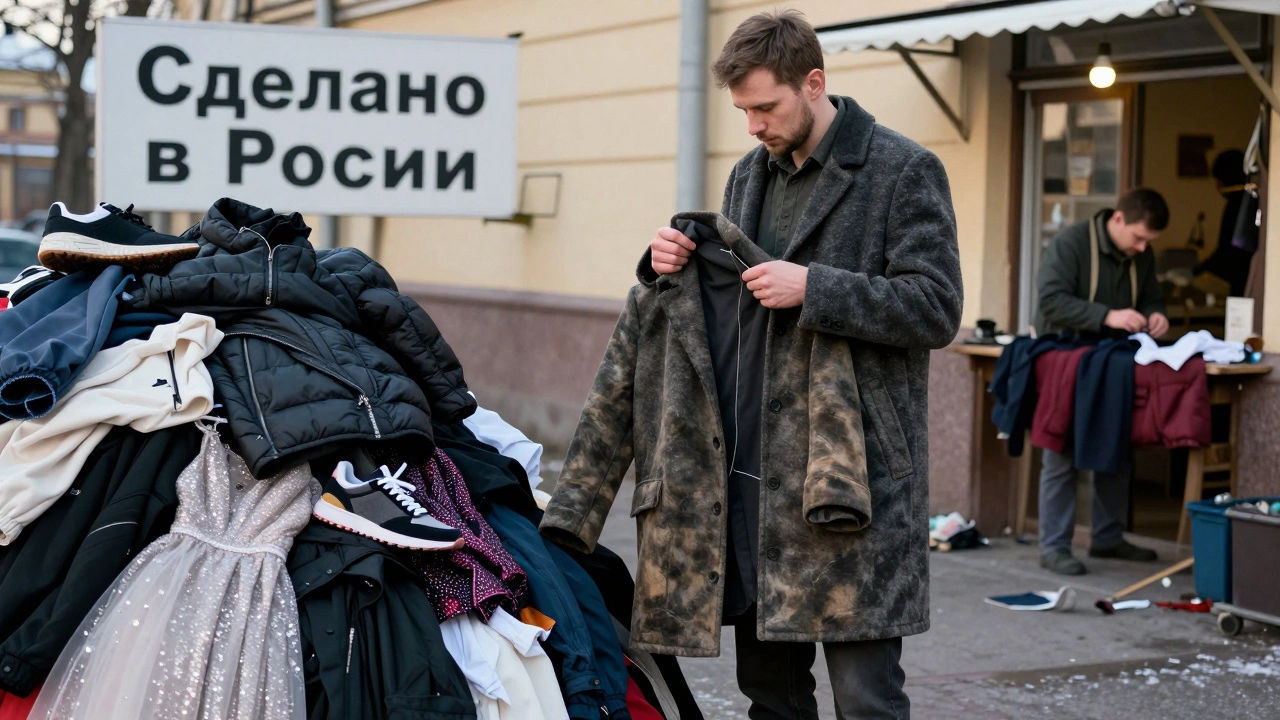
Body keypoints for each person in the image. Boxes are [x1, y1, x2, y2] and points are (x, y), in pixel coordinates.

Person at [647, 10, 963, 719]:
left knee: (866, 698)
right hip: (756, 478)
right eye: (743, 111)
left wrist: (814, 288)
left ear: (814, 82)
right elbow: (723, 303)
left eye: (766, 107)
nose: (753, 125)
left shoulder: (903, 168)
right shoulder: (745, 176)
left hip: (855, 484)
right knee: (773, 696)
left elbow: (937, 308)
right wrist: (665, 262)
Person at [1033, 187, 1170, 576]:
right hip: (1065, 357)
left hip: (1113, 363)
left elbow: (1152, 297)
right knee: (1061, 448)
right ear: (1118, 219)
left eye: (1149, 242)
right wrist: (1107, 316)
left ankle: (1108, 537)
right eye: (1139, 238)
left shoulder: (1141, 255)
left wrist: (1157, 314)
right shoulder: (1070, 243)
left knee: (1116, 444)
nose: (1143, 248)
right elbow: (1050, 301)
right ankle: (1055, 546)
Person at [1194, 149, 1255, 297]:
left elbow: (1229, 248)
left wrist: (1201, 269)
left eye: (1219, 180)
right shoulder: (1248, 200)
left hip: (1241, 276)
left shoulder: (1239, 204)